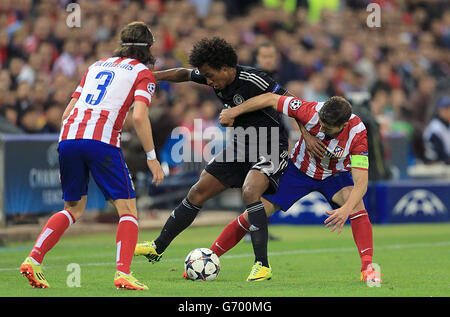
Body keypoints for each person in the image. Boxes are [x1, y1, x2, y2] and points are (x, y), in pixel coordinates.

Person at [134, 37, 326, 281]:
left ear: (226, 68)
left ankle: (262, 265)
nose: (208, 81)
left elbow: (295, 104)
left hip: (269, 146)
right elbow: (184, 73)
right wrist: (155, 76)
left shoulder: (255, 79)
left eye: (211, 75)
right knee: (197, 191)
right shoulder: (210, 73)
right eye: (205, 75)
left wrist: (307, 134)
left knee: (250, 192)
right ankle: (158, 247)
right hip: (239, 147)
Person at [19, 22, 165, 290]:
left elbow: (66, 113)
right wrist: (152, 157)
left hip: (69, 138)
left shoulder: (96, 66)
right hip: (101, 141)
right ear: (150, 47)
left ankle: (34, 259)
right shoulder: (143, 73)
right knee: (128, 209)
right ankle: (123, 273)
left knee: (73, 209)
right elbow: (140, 115)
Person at [211, 93, 382, 283]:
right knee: (255, 212)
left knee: (357, 205)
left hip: (334, 176)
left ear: (343, 126)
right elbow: (270, 98)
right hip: (297, 171)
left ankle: (367, 268)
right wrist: (234, 111)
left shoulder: (358, 133)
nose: (322, 130)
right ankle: (209, 257)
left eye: (328, 129)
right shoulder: (311, 111)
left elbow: (361, 182)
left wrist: (345, 210)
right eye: (321, 125)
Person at [423, 96, 450, 164]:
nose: (449, 111)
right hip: (435, 166)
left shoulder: (446, 124)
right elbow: (438, 155)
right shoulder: (435, 128)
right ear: (440, 110)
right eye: (446, 108)